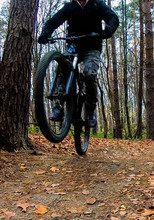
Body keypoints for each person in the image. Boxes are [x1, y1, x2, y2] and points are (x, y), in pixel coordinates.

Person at [38, 0, 119, 128]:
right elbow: (53, 21)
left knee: (89, 74)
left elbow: (113, 17)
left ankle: (91, 110)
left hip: (92, 46)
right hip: (73, 46)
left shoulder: (97, 4)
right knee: (61, 68)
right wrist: (45, 33)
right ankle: (58, 106)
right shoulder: (69, 7)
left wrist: (108, 29)